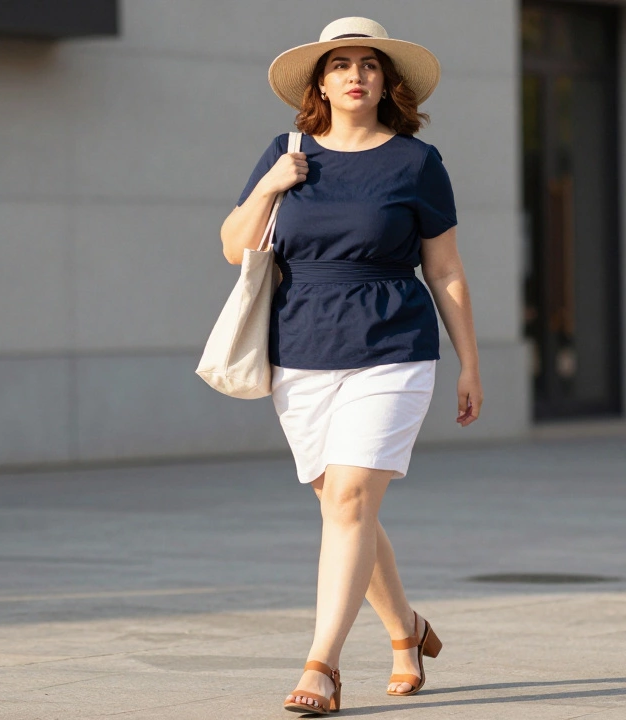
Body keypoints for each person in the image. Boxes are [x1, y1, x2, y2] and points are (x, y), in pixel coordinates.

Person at [218, 17, 483, 714]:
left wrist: (469, 363)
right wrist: (271, 186)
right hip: (301, 348)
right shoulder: (287, 153)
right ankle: (406, 631)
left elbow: (446, 270)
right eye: (340, 65)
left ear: (387, 82)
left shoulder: (417, 163)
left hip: (393, 346)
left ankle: (321, 667)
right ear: (321, 84)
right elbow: (234, 247)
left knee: (351, 500)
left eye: (369, 64)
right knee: (343, 507)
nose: (355, 75)